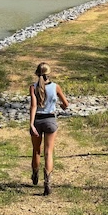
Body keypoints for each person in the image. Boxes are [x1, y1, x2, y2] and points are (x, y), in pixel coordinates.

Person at [29, 62, 69, 195]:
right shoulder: (56, 87)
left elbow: (33, 106)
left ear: (37, 73)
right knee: (48, 152)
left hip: (37, 120)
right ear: (49, 73)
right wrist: (62, 107)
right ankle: (47, 182)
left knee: (36, 151)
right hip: (50, 120)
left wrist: (31, 124)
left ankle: (35, 174)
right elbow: (66, 104)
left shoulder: (33, 87)